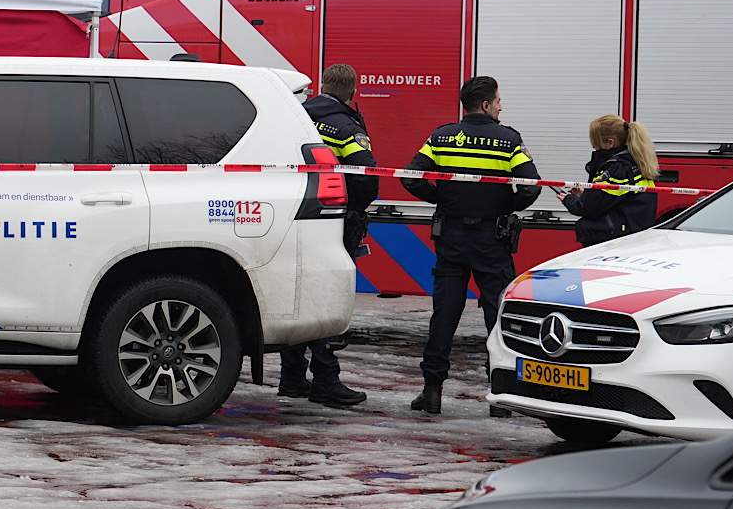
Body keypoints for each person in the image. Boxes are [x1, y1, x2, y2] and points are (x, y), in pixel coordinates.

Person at [400, 75, 540, 415]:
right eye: (499, 101)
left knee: (445, 314)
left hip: (451, 237)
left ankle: (431, 392)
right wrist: (503, 206)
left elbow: (409, 176)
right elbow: (531, 187)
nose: (501, 107)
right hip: (492, 241)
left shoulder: (442, 136)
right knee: (498, 315)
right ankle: (501, 397)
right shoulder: (508, 140)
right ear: (486, 104)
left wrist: (443, 199)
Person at [279, 62, 376, 407]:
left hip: (290, 219)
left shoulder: (296, 116)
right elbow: (366, 177)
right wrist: (350, 208)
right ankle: (326, 379)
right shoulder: (346, 126)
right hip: (330, 221)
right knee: (326, 296)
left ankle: (291, 376)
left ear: (323, 85)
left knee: (297, 295)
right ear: (352, 90)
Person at [560, 115, 659, 246]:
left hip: (613, 243)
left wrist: (569, 200)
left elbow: (589, 207)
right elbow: (611, 200)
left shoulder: (617, 169)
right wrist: (583, 195)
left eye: (596, 143)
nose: (594, 147)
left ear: (610, 142)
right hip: (631, 238)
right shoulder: (635, 161)